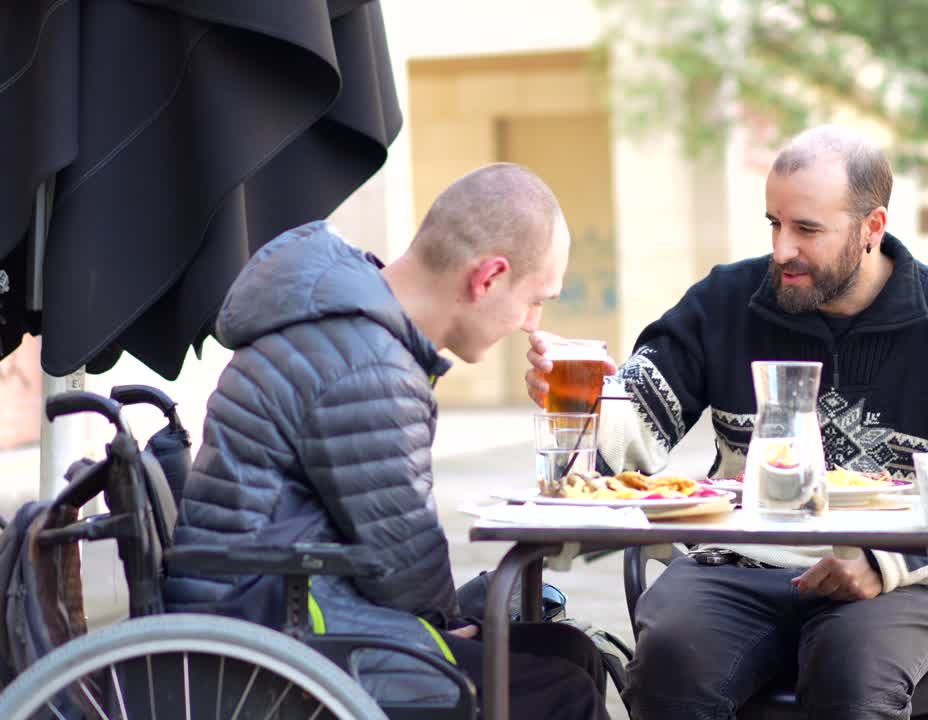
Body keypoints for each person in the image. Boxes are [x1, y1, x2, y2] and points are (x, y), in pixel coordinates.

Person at [526, 126, 928, 719]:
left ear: (872, 229)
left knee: (852, 674)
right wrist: (586, 399)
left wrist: (888, 563)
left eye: (807, 230)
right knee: (669, 663)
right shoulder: (726, 301)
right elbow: (635, 420)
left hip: (895, 580)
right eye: (774, 223)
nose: (782, 249)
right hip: (737, 564)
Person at [166, 163, 609, 720]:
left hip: (286, 601)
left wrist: (448, 621)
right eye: (536, 299)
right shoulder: (366, 363)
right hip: (278, 638)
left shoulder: (348, 321)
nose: (531, 322)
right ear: (488, 277)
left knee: (567, 652)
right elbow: (406, 563)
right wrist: (447, 626)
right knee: (563, 691)